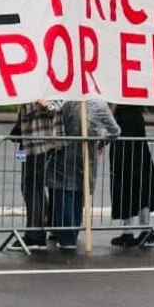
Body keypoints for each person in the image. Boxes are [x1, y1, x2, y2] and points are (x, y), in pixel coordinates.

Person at [47, 99, 120, 250]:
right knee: (79, 194)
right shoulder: (98, 104)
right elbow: (115, 131)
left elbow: (51, 121)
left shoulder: (65, 101)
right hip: (87, 156)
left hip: (63, 154)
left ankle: (67, 237)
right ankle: (71, 234)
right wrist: (102, 140)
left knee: (64, 194)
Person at [7, 101, 64, 252]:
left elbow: (57, 106)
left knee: (32, 187)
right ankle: (38, 232)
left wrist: (45, 105)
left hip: (39, 143)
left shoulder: (42, 89)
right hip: (31, 142)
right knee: (32, 186)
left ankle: (34, 235)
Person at [109, 105, 154, 247]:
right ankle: (144, 230)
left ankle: (129, 231)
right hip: (140, 158)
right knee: (141, 193)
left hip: (126, 159)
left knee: (126, 193)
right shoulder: (136, 114)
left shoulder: (124, 115)